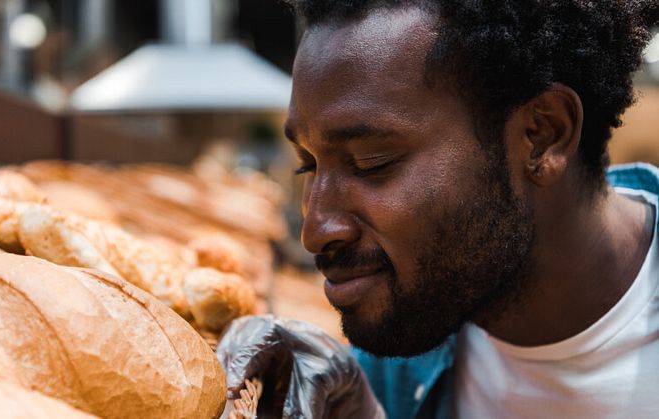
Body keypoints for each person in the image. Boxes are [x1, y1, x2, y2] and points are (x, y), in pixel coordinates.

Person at [217, 1, 659, 418]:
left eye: (373, 162)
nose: (314, 230)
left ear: (541, 135)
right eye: (307, 165)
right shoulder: (397, 352)